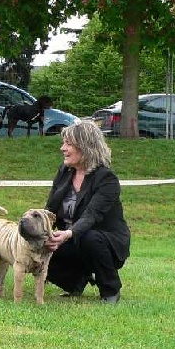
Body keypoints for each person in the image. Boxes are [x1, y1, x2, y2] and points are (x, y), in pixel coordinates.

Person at [44, 120, 130, 304]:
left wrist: (68, 233)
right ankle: (76, 281)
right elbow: (50, 208)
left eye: (68, 144)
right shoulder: (64, 171)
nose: (62, 148)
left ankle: (110, 289)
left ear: (85, 147)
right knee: (41, 243)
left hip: (105, 241)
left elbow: (91, 215)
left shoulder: (107, 179)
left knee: (88, 237)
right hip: (72, 237)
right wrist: (42, 233)